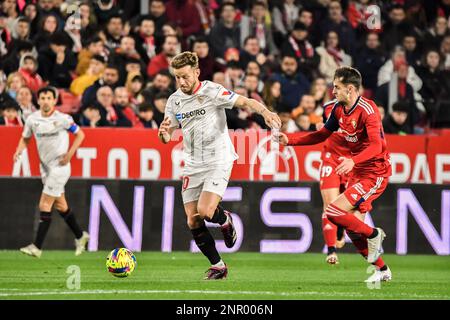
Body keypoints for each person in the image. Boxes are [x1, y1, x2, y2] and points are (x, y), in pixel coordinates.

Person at [158, 51, 281, 280]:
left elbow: (244, 101)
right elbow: (167, 135)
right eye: (177, 77)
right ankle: (219, 266)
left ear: (196, 72)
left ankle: (225, 220)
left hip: (218, 158)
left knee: (205, 211)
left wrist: (264, 111)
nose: (181, 82)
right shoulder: (174, 101)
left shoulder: (212, 91)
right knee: (192, 219)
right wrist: (164, 134)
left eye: (185, 76)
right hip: (193, 162)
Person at [275, 66, 392, 283]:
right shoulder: (339, 109)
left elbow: (377, 146)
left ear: (350, 89)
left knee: (334, 211)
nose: (332, 91)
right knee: (351, 230)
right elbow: (321, 134)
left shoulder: (368, 110)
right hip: (358, 171)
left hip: (375, 172)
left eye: (336, 87)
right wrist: (290, 140)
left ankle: (374, 234)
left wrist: (353, 160)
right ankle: (382, 269)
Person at [13, 86, 89, 258]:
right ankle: (80, 235)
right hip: (45, 168)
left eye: (49, 98)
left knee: (44, 205)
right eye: (43, 98)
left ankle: (37, 247)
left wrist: (69, 155)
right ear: (38, 100)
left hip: (60, 167)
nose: (46, 101)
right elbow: (25, 138)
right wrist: (19, 149)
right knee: (61, 205)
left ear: (54, 101)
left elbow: (80, 135)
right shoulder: (32, 119)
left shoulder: (63, 119)